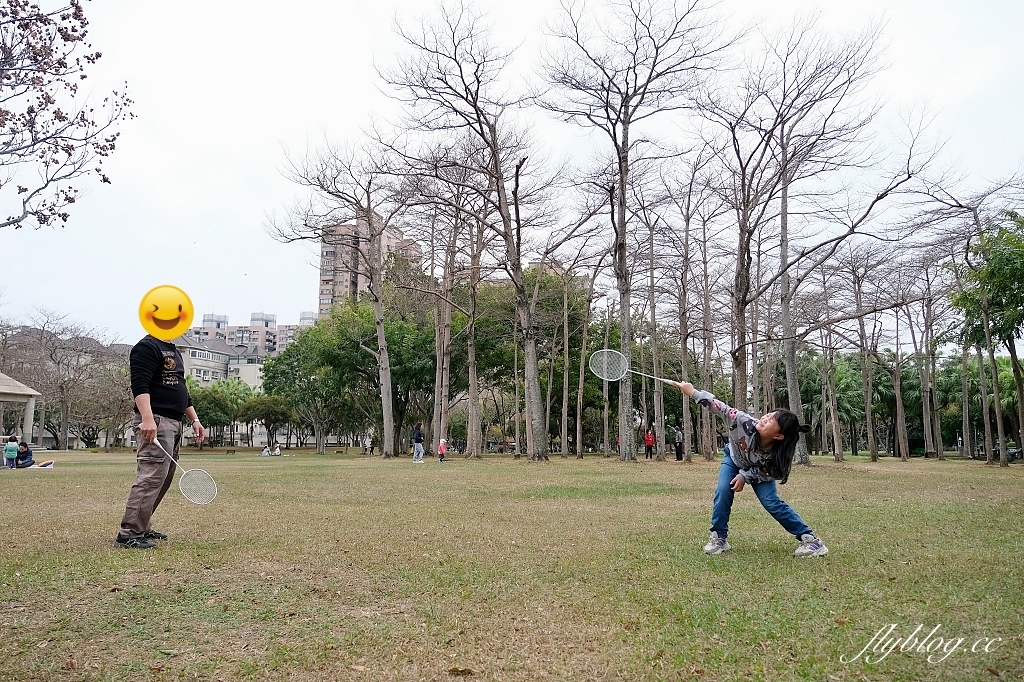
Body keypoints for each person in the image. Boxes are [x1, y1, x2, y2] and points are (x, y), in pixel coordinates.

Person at [677, 381, 828, 558]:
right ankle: (719, 537)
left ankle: (811, 540)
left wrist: (744, 476)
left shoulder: (777, 455)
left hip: (760, 472)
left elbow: (770, 471)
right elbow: (721, 408)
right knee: (723, 490)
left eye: (771, 421)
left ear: (779, 436)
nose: (765, 418)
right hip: (733, 459)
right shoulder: (743, 421)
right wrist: (693, 393)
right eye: (768, 415)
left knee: (771, 502)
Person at [115, 333, 205, 550]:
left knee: (163, 479)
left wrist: (194, 419)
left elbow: (182, 389)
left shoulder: (174, 350)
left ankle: (142, 526)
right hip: (156, 421)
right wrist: (147, 419)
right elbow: (140, 385)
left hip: (173, 422)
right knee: (150, 477)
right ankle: (129, 534)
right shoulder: (147, 347)